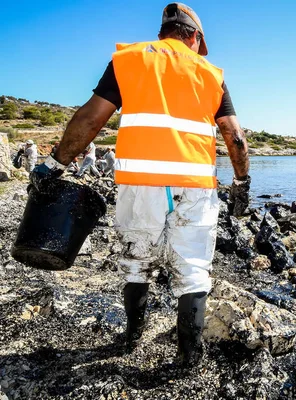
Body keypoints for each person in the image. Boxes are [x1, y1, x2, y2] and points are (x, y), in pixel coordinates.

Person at [31, 2, 250, 365]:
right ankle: (189, 357)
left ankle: (132, 338)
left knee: (136, 261)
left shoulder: (129, 60)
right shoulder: (210, 74)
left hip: (140, 185)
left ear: (165, 31)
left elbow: (91, 118)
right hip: (195, 187)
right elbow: (235, 136)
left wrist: (55, 163)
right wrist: (241, 181)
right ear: (194, 37)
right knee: (193, 269)